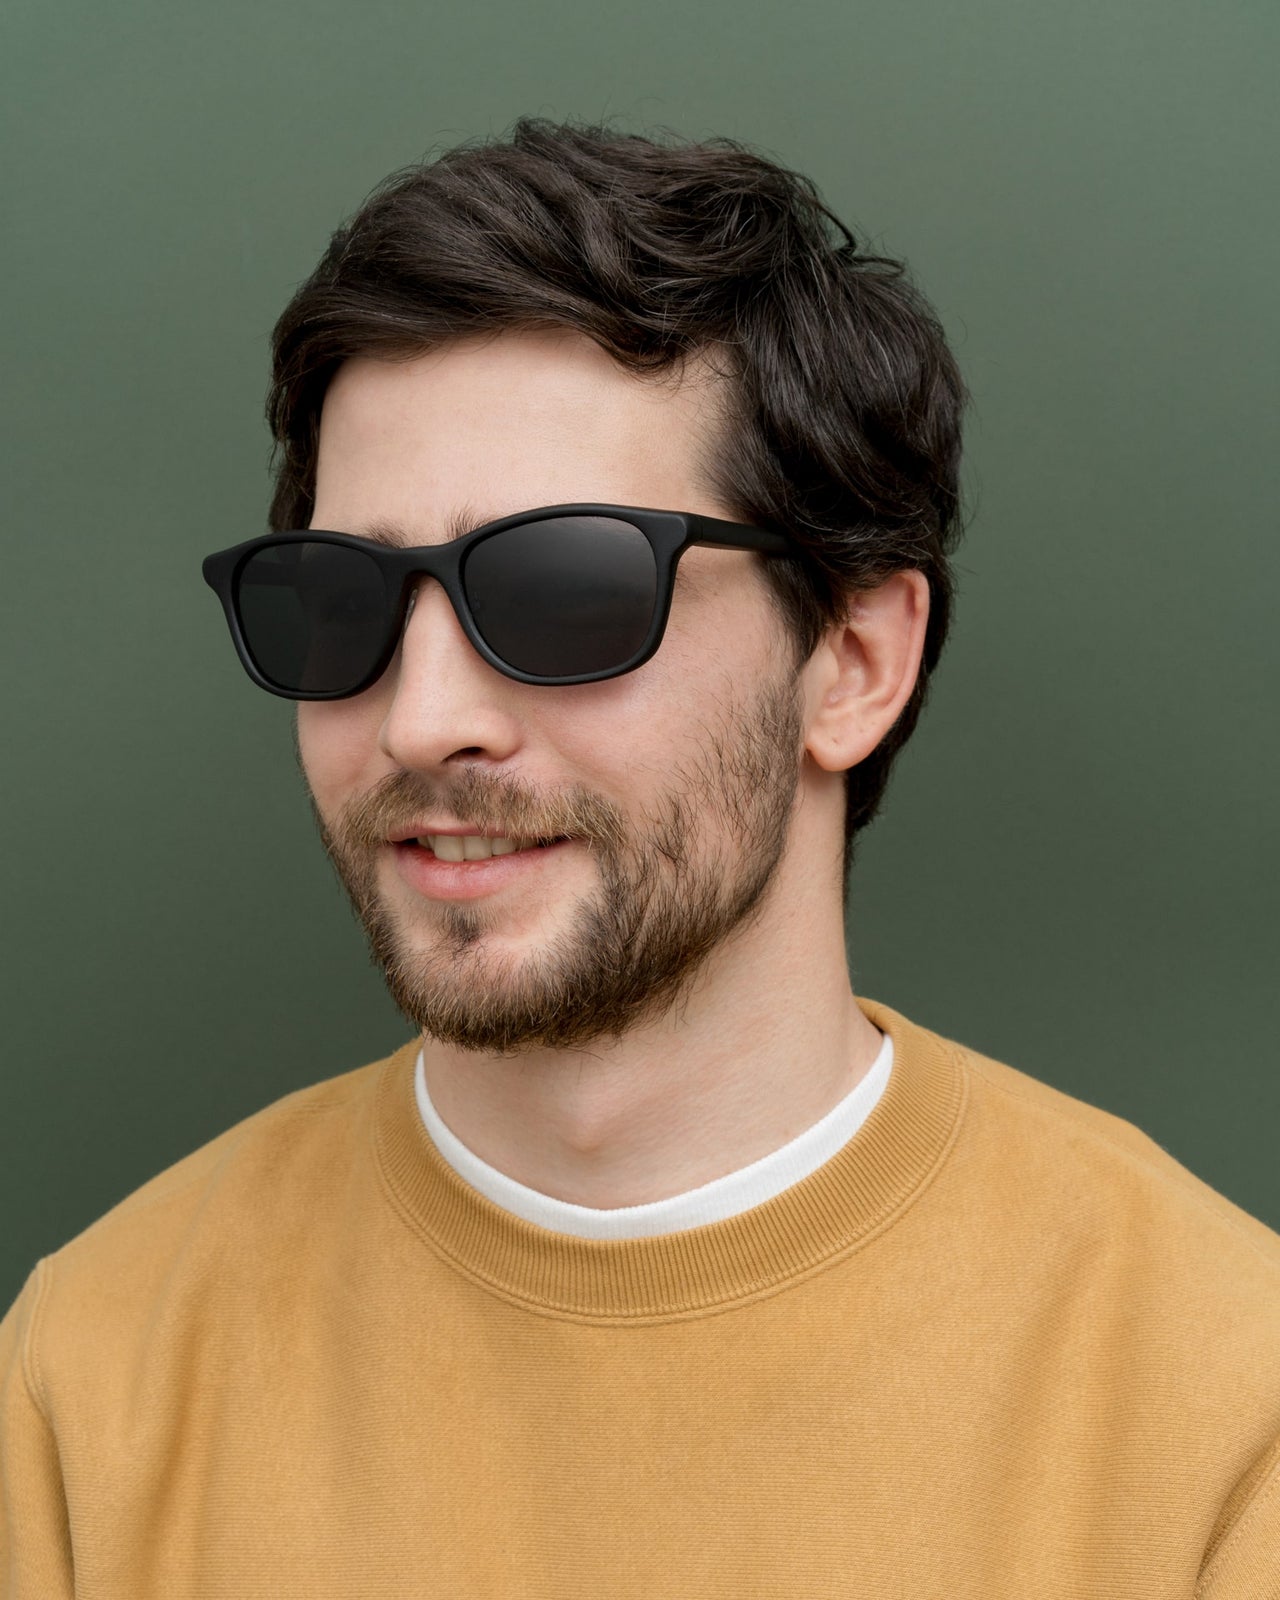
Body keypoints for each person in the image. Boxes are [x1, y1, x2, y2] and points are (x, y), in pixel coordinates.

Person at [2, 119, 1277, 1598]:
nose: (422, 718)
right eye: (341, 601)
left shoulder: (1223, 1411)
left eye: (564, 590)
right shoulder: (82, 1386)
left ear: (853, 661)